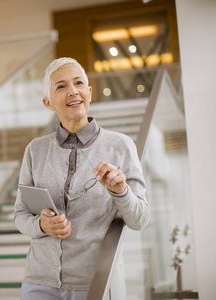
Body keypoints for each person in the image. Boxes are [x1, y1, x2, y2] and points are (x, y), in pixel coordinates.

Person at [13, 57, 149, 300]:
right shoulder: (35, 149)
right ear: (48, 102)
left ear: (89, 92)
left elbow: (140, 219)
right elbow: (20, 215)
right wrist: (41, 225)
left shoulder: (120, 146)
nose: (73, 91)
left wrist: (121, 191)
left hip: (97, 283)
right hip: (38, 284)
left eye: (78, 83)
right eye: (61, 86)